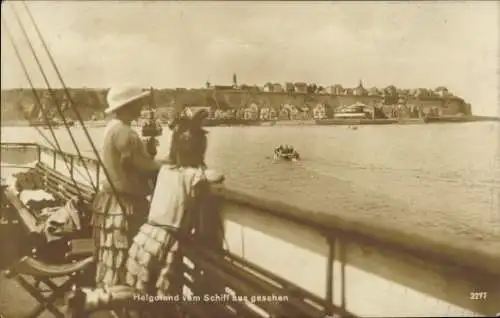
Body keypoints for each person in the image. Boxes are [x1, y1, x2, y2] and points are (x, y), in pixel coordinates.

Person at [68, 111, 224, 317]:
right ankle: (96, 300)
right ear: (201, 151)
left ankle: (95, 297)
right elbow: (207, 213)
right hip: (166, 242)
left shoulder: (166, 172)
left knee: (137, 288)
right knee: (157, 296)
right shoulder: (197, 178)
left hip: (144, 236)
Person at [91, 86, 169, 288]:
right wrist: (168, 165)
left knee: (111, 259)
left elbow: (128, 163)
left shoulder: (111, 128)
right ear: (128, 105)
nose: (141, 107)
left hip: (109, 201)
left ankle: (110, 300)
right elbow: (142, 166)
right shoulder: (126, 132)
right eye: (138, 103)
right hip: (125, 204)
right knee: (127, 256)